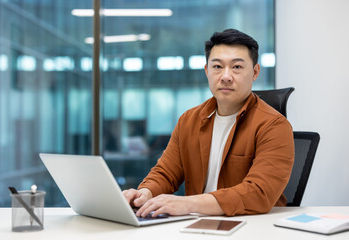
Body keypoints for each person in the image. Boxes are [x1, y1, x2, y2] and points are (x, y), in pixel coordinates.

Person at [123, 29, 294, 217]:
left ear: (255, 72)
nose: (226, 76)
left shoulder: (274, 126)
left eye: (237, 67)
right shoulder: (189, 120)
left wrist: (188, 204)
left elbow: (259, 192)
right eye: (217, 67)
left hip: (251, 227)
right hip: (197, 226)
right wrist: (144, 194)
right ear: (207, 71)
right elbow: (165, 173)